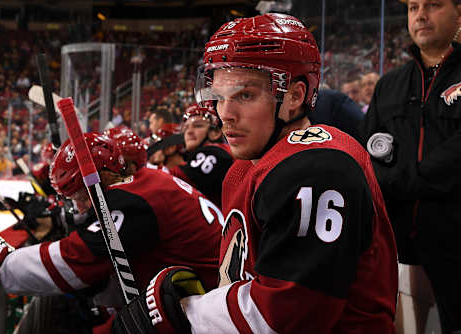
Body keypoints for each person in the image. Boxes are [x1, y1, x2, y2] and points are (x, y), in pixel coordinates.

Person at [112, 13, 398, 334]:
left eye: (245, 95)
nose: (225, 115)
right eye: (219, 98)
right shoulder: (245, 165)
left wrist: (185, 313)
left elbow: (287, 314)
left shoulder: (319, 168)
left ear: (294, 96)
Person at [0, 132, 223, 333]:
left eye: (79, 196)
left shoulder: (135, 201)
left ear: (102, 176)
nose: (80, 207)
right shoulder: (147, 182)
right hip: (202, 300)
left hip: (204, 314)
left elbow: (74, 261)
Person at [358, 0, 461, 333]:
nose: (420, 14)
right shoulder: (390, 84)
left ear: (458, 12)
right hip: (399, 242)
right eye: (413, 7)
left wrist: (399, 180)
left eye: (432, 4)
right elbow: (368, 151)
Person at [169, 104, 233, 207]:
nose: (189, 132)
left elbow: (174, 180)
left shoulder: (216, 152)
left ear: (215, 133)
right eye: (186, 128)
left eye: (198, 125)